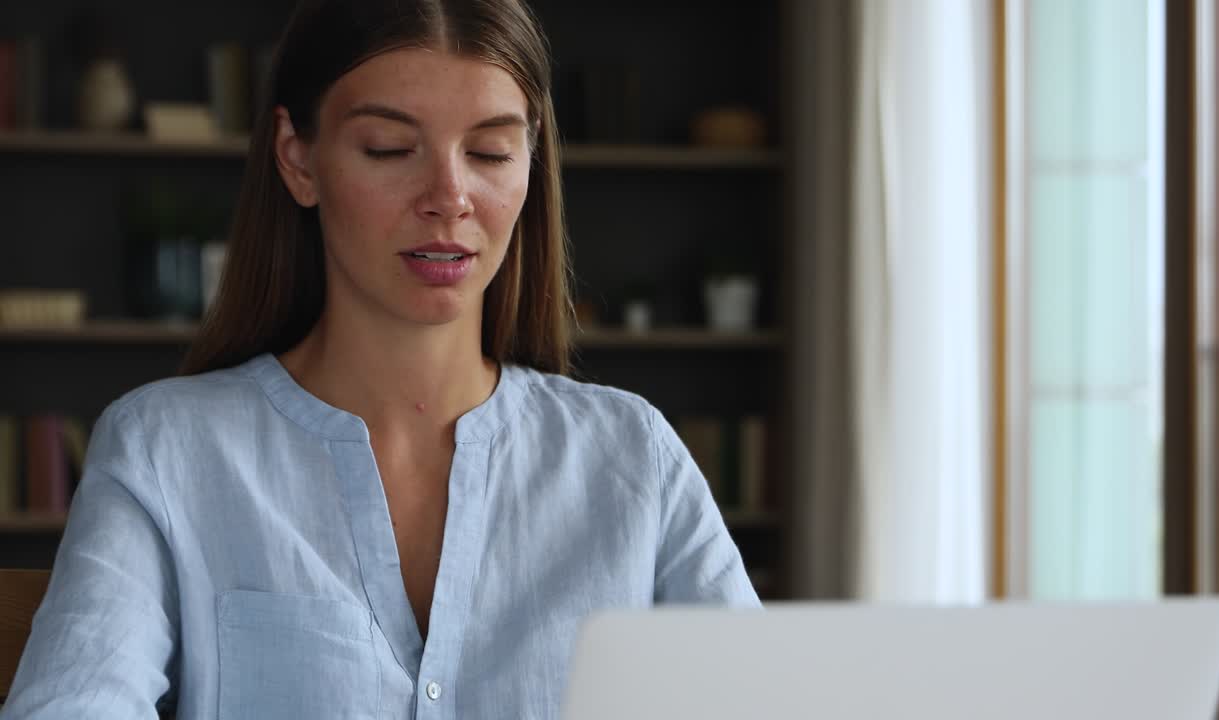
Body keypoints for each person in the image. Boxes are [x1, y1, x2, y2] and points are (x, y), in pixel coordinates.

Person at [0, 1, 759, 718]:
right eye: (391, 148)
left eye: (491, 151)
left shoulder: (634, 459)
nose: (450, 197)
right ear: (299, 161)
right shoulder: (165, 452)